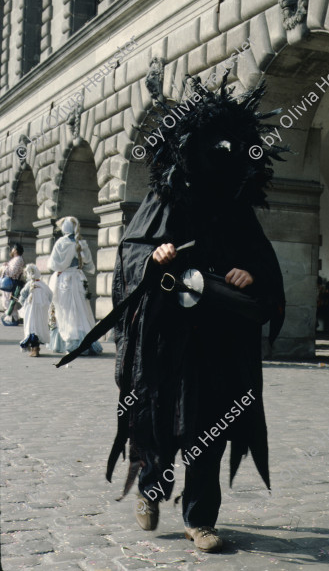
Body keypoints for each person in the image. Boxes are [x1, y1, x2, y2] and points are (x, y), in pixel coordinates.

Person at [56, 77, 286, 553]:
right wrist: (154, 258)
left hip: (220, 337)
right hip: (168, 338)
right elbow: (128, 255)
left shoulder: (238, 209)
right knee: (160, 423)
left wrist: (250, 275)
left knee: (211, 427)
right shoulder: (164, 198)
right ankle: (151, 489)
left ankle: (200, 518)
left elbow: (263, 263)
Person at [47, 216, 102, 355]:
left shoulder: (61, 242)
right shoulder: (81, 243)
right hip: (78, 278)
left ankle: (67, 342)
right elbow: (88, 262)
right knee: (81, 311)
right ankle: (85, 341)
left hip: (64, 279)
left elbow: (53, 264)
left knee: (64, 311)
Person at [18, 264, 52, 357]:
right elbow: (50, 295)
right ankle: (36, 348)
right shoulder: (43, 285)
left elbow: (22, 295)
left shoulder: (29, 285)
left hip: (31, 311)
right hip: (41, 311)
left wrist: (22, 303)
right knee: (39, 327)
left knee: (31, 327)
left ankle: (34, 349)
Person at [1, 243, 25, 326]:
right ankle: (11, 318)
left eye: (12, 249)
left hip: (12, 283)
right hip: (10, 282)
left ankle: (12, 319)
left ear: (15, 250)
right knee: (8, 300)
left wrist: (4, 267)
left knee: (9, 301)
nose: (11, 250)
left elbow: (12, 272)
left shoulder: (18, 259)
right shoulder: (16, 259)